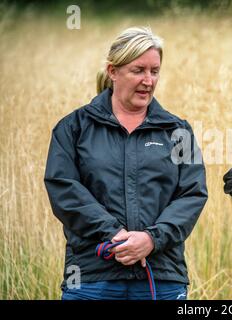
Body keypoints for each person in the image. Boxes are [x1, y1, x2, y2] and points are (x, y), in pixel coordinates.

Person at [44, 26, 208, 300]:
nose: (148, 80)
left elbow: (192, 194)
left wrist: (151, 240)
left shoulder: (178, 131)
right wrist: (115, 235)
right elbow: (64, 189)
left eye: (154, 71)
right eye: (138, 70)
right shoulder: (73, 128)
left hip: (162, 276)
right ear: (113, 71)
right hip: (91, 279)